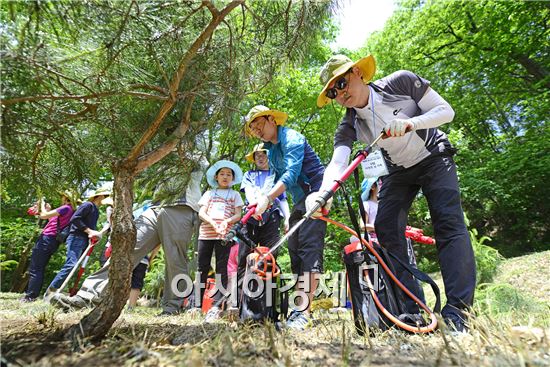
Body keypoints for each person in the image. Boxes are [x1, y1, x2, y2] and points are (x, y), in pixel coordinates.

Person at [308, 54, 476, 332]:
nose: (340, 92)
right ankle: (414, 310)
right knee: (385, 228)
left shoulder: (401, 81)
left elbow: (446, 111)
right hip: (399, 172)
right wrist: (321, 194)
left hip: (435, 156)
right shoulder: (349, 124)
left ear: (359, 72)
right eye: (332, 91)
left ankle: (459, 312)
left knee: (448, 222)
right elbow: (338, 163)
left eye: (342, 81)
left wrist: (412, 123)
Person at [49, 154, 207, 315]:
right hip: (155, 207)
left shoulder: (195, 146)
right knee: (125, 250)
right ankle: (88, 296)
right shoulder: (162, 143)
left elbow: (198, 164)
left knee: (175, 259)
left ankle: (172, 307)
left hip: (181, 206)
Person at [245, 105, 326, 330]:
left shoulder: (292, 138)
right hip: (298, 202)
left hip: (318, 195)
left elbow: (291, 174)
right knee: (295, 250)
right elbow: (280, 183)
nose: (256, 130)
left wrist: (268, 198)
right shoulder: (271, 152)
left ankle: (303, 312)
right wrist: (262, 200)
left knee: (310, 248)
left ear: (272, 119)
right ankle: (298, 308)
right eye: (252, 128)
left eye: (258, 124)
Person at [196, 160, 243, 322]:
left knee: (221, 270)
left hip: (225, 234)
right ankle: (195, 305)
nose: (225, 177)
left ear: (233, 178)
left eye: (228, 174)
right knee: (201, 267)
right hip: (206, 233)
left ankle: (216, 306)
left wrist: (225, 222)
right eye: (222, 174)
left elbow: (239, 215)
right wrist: (212, 222)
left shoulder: (235, 195)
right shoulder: (209, 193)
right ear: (216, 177)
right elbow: (201, 212)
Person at [45, 188, 110, 295]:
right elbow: (75, 218)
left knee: (75, 267)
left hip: (84, 240)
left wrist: (94, 234)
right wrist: (88, 231)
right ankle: (51, 290)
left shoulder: (95, 209)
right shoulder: (87, 205)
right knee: (71, 264)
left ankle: (61, 290)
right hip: (76, 238)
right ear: (100, 196)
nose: (106, 200)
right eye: (106, 196)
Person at [21, 191, 76, 302]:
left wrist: (42, 204)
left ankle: (30, 296)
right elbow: (51, 220)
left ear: (66, 198)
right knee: (39, 268)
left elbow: (43, 216)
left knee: (36, 268)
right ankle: (32, 294)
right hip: (53, 241)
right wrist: (47, 208)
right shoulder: (70, 210)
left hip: (47, 238)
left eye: (62, 196)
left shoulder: (65, 208)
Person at [241, 143, 290, 252]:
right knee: (245, 251)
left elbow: (282, 199)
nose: (261, 157)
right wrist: (255, 207)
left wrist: (288, 217)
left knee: (270, 252)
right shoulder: (248, 175)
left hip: (272, 214)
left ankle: (269, 268)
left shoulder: (276, 176)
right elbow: (248, 192)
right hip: (251, 214)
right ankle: (244, 269)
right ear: (253, 158)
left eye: (264, 154)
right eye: (257, 155)